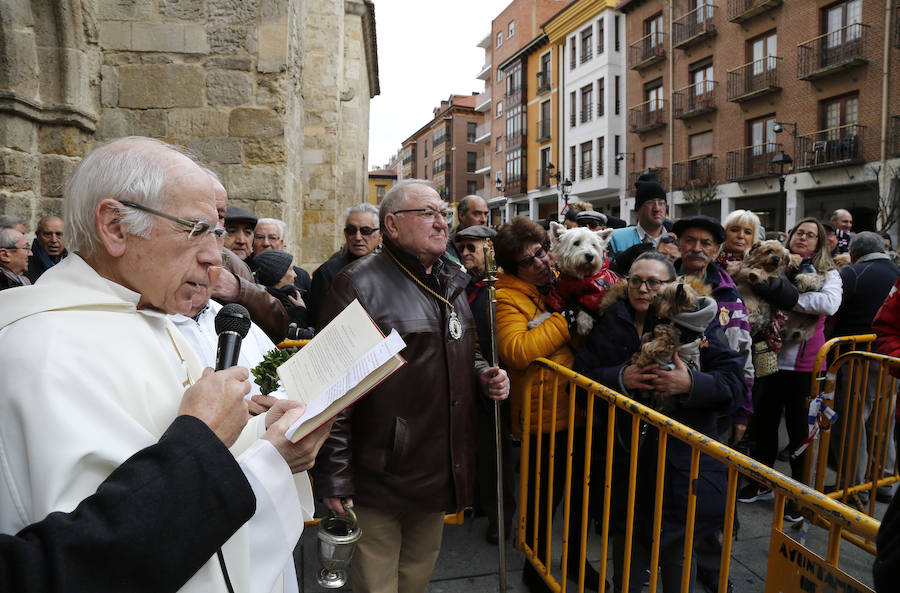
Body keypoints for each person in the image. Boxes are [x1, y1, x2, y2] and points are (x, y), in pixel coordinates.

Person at [0, 137, 334, 593]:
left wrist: (267, 435)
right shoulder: (45, 352)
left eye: (216, 233)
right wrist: (268, 461)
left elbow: (167, 449)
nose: (216, 257)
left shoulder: (149, 316)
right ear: (115, 227)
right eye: (196, 229)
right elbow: (99, 560)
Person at [311, 179, 509, 593]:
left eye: (443, 212)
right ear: (393, 225)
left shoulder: (450, 278)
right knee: (378, 585)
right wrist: (335, 477)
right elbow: (332, 388)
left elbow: (461, 346)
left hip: (437, 466)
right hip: (380, 474)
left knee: (417, 577)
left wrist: (482, 374)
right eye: (428, 213)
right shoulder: (357, 284)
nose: (441, 223)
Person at [0, 364, 296, 593]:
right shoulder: (37, 356)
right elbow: (73, 568)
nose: (214, 280)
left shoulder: (156, 321)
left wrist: (260, 436)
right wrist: (204, 443)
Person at [574, 252, 744, 593]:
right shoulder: (611, 319)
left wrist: (691, 385)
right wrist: (621, 377)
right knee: (629, 550)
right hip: (624, 463)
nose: (642, 288)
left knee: (677, 554)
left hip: (680, 464)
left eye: (654, 282)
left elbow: (733, 384)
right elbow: (581, 376)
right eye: (635, 280)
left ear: (671, 286)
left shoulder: (695, 318)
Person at [493, 216, 599, 593]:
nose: (539, 262)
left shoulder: (559, 284)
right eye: (528, 260)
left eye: (540, 253)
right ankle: (534, 566)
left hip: (580, 408)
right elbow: (518, 351)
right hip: (543, 416)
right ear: (512, 268)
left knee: (581, 496)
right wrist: (564, 321)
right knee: (542, 499)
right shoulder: (507, 296)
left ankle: (575, 559)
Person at [738, 218, 842, 523]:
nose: (804, 238)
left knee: (800, 431)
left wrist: (784, 296)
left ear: (819, 243)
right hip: (768, 357)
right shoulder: (778, 262)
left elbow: (828, 304)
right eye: (800, 233)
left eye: (811, 235)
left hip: (805, 363)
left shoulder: (829, 273)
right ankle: (762, 482)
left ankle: (798, 495)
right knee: (765, 425)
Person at [453, 224, 516, 545]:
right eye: (461, 247)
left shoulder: (501, 286)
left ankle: (501, 517)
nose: (465, 254)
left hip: (496, 378)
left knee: (496, 453)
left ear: (490, 249)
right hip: (466, 378)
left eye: (472, 248)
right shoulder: (460, 284)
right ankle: (475, 502)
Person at [829, 231, 900, 503]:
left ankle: (850, 487)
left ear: (854, 253)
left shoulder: (852, 274)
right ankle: (883, 482)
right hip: (891, 361)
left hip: (857, 359)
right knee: (883, 422)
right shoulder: (896, 272)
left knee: (851, 423)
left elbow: (833, 313)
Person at [673, 215, 754, 445]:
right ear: (679, 244)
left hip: (713, 404)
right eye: (689, 240)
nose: (696, 248)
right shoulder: (660, 281)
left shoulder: (728, 294)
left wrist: (743, 411)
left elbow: (742, 351)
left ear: (717, 250)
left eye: (705, 243)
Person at [211, 181, 289, 343]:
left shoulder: (245, 267)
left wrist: (238, 289)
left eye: (247, 233)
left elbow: (277, 323)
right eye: (232, 232)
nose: (241, 240)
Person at [308, 203, 381, 323]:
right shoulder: (327, 272)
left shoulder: (394, 270)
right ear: (345, 234)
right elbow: (317, 319)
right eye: (351, 231)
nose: (358, 237)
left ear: (380, 235)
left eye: (365, 231)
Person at [249, 217, 312, 296]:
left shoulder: (300, 276)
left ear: (281, 243)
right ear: (252, 242)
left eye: (272, 238)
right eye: (260, 237)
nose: (266, 243)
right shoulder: (243, 270)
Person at [254, 249, 312, 333]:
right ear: (278, 276)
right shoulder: (271, 307)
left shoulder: (288, 298)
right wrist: (300, 311)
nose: (295, 275)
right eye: (291, 269)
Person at [609, 171, 668, 252]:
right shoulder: (616, 239)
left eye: (661, 203)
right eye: (650, 202)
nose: (657, 209)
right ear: (638, 210)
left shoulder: (677, 239)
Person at [26, 215, 67, 283]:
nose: (54, 240)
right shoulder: (25, 265)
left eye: (59, 234)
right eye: (48, 234)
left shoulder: (74, 262)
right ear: (37, 235)